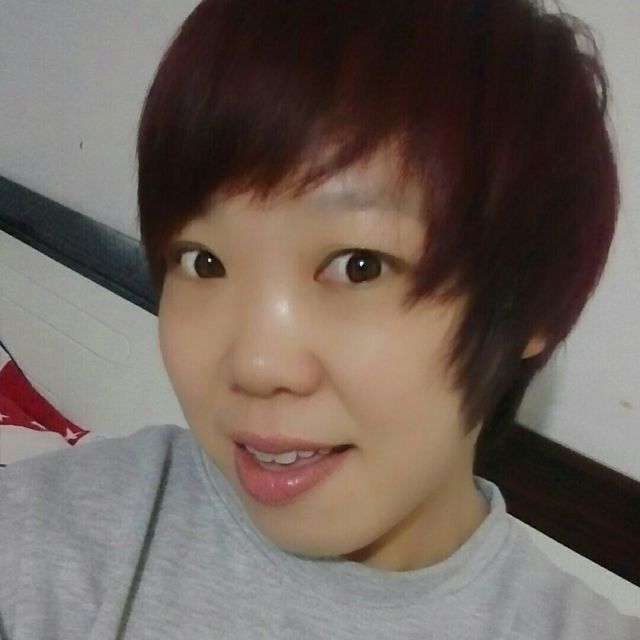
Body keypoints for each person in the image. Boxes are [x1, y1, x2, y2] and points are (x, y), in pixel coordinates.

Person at [1, 1, 639, 638]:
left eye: (360, 265)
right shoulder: (66, 532)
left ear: (526, 301)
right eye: (202, 261)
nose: (257, 363)